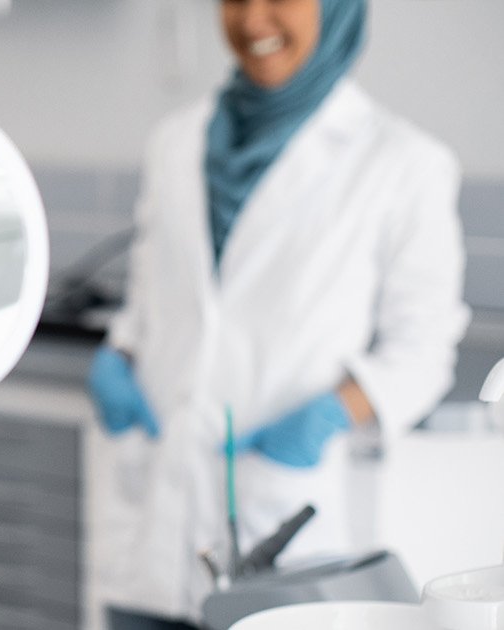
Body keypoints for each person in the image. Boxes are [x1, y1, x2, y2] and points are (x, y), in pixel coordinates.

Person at [87, 0, 468, 628]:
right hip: (156, 512)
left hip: (284, 520)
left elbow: (423, 351)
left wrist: (327, 416)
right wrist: (119, 356)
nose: (253, 19)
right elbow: (154, 303)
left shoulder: (403, 164)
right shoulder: (176, 142)